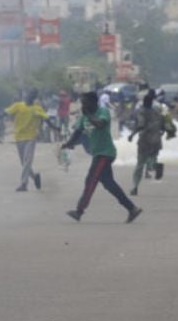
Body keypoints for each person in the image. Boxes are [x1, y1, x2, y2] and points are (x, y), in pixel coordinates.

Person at [61, 92, 143, 223]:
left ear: (93, 102)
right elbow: (77, 133)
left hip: (105, 153)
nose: (83, 105)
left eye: (85, 102)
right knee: (109, 184)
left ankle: (79, 211)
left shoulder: (102, 112)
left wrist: (88, 115)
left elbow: (100, 124)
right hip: (98, 153)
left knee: (91, 180)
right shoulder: (84, 117)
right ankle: (132, 209)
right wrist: (67, 144)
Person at [5, 89, 56, 192]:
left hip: (30, 137)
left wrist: (55, 128)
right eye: (28, 94)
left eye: (31, 96)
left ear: (34, 98)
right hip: (18, 137)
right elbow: (5, 113)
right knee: (24, 163)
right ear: (25, 95)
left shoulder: (37, 109)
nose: (28, 97)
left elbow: (46, 119)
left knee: (27, 161)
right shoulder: (18, 106)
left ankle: (24, 184)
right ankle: (35, 177)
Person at [127, 90, 164, 195]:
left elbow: (140, 125)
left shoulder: (141, 111)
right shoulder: (157, 110)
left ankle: (134, 187)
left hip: (145, 140)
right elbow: (163, 124)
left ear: (143, 102)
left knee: (139, 165)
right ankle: (156, 166)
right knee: (152, 160)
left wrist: (132, 134)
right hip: (156, 140)